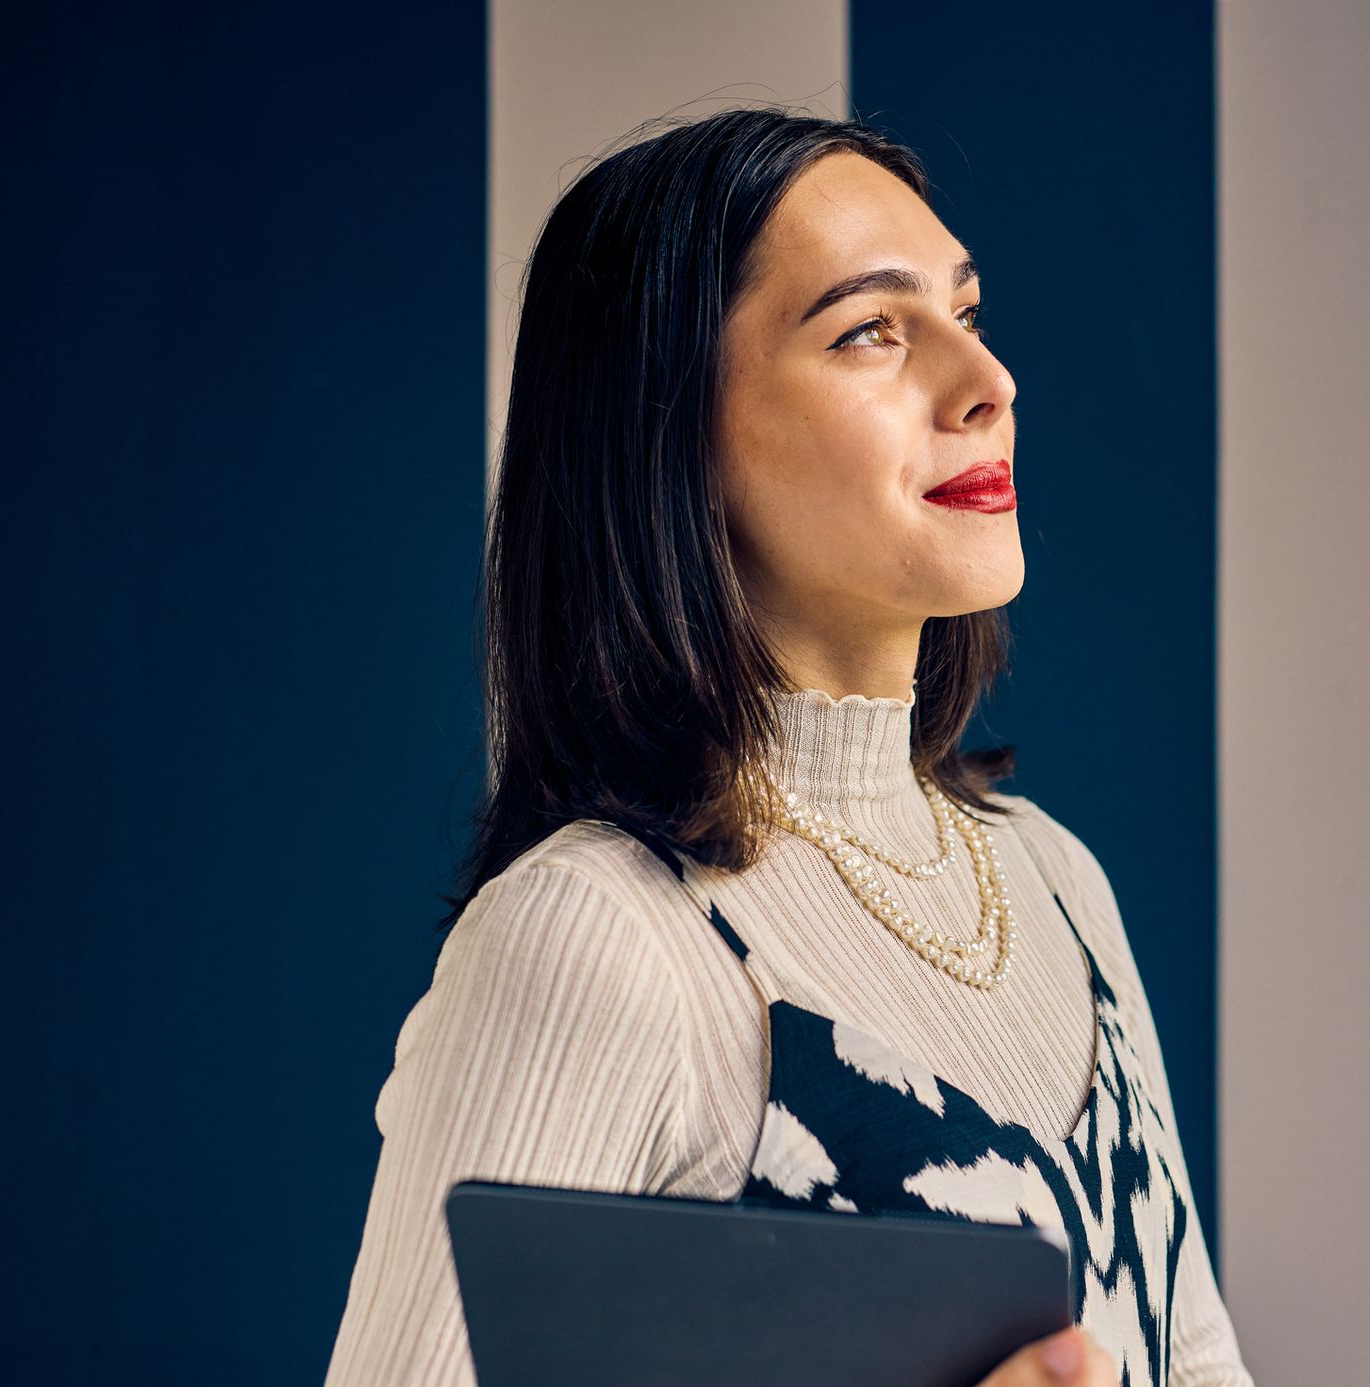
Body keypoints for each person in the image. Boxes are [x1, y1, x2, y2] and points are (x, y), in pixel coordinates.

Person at [324, 105, 1253, 1387]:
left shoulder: (1053, 879)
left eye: (968, 315)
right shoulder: (599, 935)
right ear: (669, 437)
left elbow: (1199, 1361)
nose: (989, 384)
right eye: (871, 330)